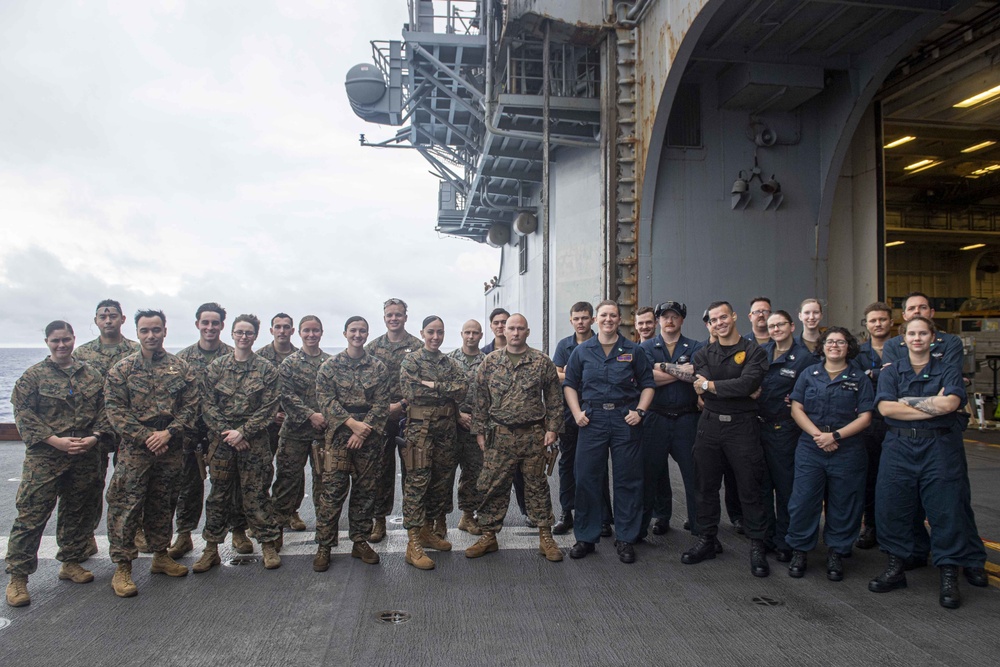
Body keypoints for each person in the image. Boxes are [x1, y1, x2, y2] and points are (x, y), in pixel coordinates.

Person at [869, 316, 987, 609]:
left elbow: (951, 404)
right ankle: (896, 567)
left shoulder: (948, 369)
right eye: (912, 333)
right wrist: (932, 407)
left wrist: (906, 403)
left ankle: (949, 574)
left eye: (923, 333)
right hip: (899, 446)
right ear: (904, 338)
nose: (917, 338)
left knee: (946, 509)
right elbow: (885, 408)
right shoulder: (891, 371)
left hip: (940, 446)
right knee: (893, 506)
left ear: (933, 338)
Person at [6, 321, 108, 607]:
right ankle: (18, 577)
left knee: (78, 511)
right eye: (55, 341)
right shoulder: (33, 377)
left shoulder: (92, 375)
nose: (61, 345)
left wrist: (95, 437)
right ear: (47, 342)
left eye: (65, 340)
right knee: (31, 515)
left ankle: (71, 562)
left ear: (74, 339)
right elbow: (24, 414)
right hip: (46, 457)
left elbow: (106, 410)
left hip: (85, 454)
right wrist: (54, 440)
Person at [104, 310, 199, 597]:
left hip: (169, 446)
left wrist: (169, 433)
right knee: (127, 506)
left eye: (156, 330)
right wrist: (147, 436)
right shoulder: (122, 369)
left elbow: (191, 406)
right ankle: (122, 567)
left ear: (165, 332)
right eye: (145, 330)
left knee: (163, 503)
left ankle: (160, 555)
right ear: (136, 331)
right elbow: (115, 410)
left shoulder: (180, 368)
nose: (151, 335)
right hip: (136, 449)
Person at [682, 301, 771, 577]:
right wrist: (724, 388)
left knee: (750, 487)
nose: (719, 322)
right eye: (714, 320)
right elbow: (706, 389)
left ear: (733, 317)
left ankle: (758, 545)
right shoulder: (703, 353)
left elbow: (748, 384)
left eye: (724, 317)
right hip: (709, 426)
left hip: (742, 427)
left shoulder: (753, 351)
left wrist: (711, 386)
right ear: (709, 324)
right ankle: (707, 539)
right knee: (705, 486)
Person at [466, 314, 564, 561]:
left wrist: (552, 428)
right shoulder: (490, 362)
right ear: (504, 332)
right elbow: (480, 401)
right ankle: (489, 536)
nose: (515, 333)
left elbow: (554, 399)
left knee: (537, 486)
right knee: (493, 486)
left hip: (533, 435)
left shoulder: (541, 362)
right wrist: (479, 432)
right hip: (499, 436)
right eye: (511, 328)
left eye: (520, 328)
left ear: (527, 332)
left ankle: (545, 536)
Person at [563, 300, 655, 564]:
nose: (608, 319)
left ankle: (625, 538)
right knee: (587, 478)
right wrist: (577, 412)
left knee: (628, 479)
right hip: (592, 420)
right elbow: (570, 384)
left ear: (619, 319)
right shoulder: (582, 351)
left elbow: (648, 385)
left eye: (613, 315)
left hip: (624, 418)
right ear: (596, 319)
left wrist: (639, 411)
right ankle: (586, 537)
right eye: (603, 315)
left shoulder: (633, 350)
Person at [192, 315, 282, 572]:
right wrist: (228, 434)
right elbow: (207, 405)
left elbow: (269, 407)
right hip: (222, 444)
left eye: (249, 333)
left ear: (255, 336)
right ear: (232, 334)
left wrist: (243, 432)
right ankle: (211, 550)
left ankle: (267, 544)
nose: (244, 337)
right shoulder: (216, 368)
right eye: (240, 332)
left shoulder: (266, 369)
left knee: (256, 494)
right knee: (219, 496)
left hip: (254, 443)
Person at [786, 327, 873, 581]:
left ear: (849, 347)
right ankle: (800, 550)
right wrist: (819, 436)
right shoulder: (808, 375)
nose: (835, 345)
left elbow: (866, 417)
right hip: (811, 446)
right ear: (822, 346)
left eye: (841, 342)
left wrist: (834, 437)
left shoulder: (859, 378)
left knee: (844, 503)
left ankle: (837, 552)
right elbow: (796, 409)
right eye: (830, 342)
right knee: (802, 501)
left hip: (847, 448)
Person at [312, 317, 390, 571]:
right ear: (345, 333)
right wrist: (350, 424)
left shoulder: (378, 367)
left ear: (367, 334)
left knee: (365, 492)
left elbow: (381, 404)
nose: (358, 335)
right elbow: (325, 400)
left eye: (362, 331)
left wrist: (362, 431)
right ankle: (324, 545)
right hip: (338, 437)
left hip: (368, 438)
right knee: (332, 492)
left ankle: (360, 541)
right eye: (353, 330)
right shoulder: (329, 367)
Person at [172, 303, 242, 559]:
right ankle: (184, 534)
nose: (210, 327)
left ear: (223, 325)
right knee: (188, 486)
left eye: (215, 323)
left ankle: (238, 531)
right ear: (197, 324)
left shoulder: (233, 355)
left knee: (228, 484)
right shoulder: (182, 359)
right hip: (191, 432)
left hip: (222, 432)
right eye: (205, 323)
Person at [398, 316, 468, 569]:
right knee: (417, 483)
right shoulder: (412, 360)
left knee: (440, 482)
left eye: (439, 332)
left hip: (446, 431)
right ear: (422, 333)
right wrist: (444, 388)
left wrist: (434, 385)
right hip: (421, 431)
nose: (435, 337)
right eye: (431, 332)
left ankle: (428, 530)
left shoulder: (449, 362)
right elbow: (412, 391)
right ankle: (413, 542)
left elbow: (463, 388)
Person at [74, 299, 139, 558]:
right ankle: (87, 535)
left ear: (123, 320)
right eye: (103, 316)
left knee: (132, 483)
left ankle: (136, 531)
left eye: (113, 315)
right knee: (90, 484)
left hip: (127, 428)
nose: (108, 320)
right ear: (96, 321)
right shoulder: (82, 353)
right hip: (95, 430)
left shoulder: (136, 350)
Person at [639, 301, 701, 539]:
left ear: (682, 320)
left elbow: (696, 375)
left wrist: (663, 367)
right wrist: (681, 372)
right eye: (665, 316)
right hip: (655, 417)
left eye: (675, 316)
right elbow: (647, 379)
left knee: (694, 476)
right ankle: (641, 528)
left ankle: (700, 529)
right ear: (658, 321)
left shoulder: (695, 346)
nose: (670, 320)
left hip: (687, 418)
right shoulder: (646, 347)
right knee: (648, 475)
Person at [756, 310, 814, 561]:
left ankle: (787, 540)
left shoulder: (804, 358)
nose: (775, 329)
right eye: (771, 326)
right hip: (759, 427)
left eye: (780, 324)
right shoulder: (762, 353)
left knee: (786, 487)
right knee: (762, 486)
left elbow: (811, 392)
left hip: (785, 429)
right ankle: (766, 537)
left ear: (792, 326)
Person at [551, 302, 613, 536]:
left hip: (595, 413)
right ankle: (567, 512)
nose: (581, 322)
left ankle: (604, 517)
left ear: (593, 320)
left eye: (585, 318)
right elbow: (554, 376)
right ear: (571, 321)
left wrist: (569, 375)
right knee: (567, 464)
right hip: (569, 413)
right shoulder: (564, 345)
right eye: (576, 318)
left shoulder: (602, 344)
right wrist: (573, 375)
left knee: (597, 466)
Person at [366, 298, 423, 543]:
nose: (394, 318)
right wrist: (383, 408)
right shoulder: (372, 347)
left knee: (413, 471)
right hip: (380, 419)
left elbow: (422, 384)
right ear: (384, 317)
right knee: (381, 471)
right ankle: (379, 520)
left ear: (405, 317)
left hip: (409, 418)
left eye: (398, 314)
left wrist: (401, 405)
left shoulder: (417, 346)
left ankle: (414, 525)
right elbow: (364, 386)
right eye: (390, 315)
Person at [271, 316, 330, 537]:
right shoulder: (290, 363)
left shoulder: (330, 362)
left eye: (315, 331)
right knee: (287, 481)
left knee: (324, 483)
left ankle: (324, 533)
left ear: (321, 332)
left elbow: (335, 395)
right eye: (307, 331)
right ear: (301, 333)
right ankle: (275, 536)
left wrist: (322, 416)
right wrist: (310, 415)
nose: (311, 335)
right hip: (294, 433)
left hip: (322, 433)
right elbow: (285, 394)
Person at [854, 302, 893, 549]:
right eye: (873, 320)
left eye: (882, 319)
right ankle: (870, 527)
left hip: (897, 421)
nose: (878, 324)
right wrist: (884, 374)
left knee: (897, 480)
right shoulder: (858, 354)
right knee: (869, 477)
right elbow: (858, 381)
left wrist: (872, 374)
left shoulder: (902, 348)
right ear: (866, 325)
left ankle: (897, 531)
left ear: (891, 322)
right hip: (868, 423)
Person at [447, 319, 485, 536]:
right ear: (461, 334)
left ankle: (467, 516)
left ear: (481, 335)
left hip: (475, 425)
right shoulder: (449, 360)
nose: (471, 336)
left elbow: (490, 396)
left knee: (473, 472)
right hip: (451, 424)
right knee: (445, 472)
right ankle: (439, 520)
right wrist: (457, 414)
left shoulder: (488, 361)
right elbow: (443, 393)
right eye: (467, 332)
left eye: (475, 333)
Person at [256, 313, 297, 459]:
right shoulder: (258, 358)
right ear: (271, 330)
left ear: (292, 331)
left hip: (293, 425)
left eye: (286, 327)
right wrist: (271, 415)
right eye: (277, 327)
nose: (282, 331)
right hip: (265, 426)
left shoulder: (300, 357)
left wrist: (290, 414)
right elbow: (252, 394)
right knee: (262, 472)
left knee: (289, 475)